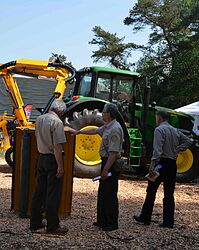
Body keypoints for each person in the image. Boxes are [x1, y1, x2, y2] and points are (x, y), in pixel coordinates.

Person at [134, 110, 192, 228]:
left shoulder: (159, 130)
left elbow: (157, 150)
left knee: (151, 190)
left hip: (161, 163)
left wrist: (152, 166)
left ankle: (145, 217)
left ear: (159, 118)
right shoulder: (175, 130)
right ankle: (168, 221)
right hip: (172, 164)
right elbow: (189, 141)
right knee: (169, 193)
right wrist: (178, 149)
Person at [73, 103, 124, 231]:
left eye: (105, 111)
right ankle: (102, 220)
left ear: (109, 114)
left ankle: (112, 223)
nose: (103, 113)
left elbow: (113, 153)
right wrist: (79, 131)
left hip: (110, 164)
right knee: (103, 193)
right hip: (106, 162)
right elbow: (95, 130)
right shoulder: (107, 126)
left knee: (110, 194)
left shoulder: (115, 129)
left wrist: (106, 169)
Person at [30, 99, 68, 234]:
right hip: (52, 159)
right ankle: (53, 225)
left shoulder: (39, 119)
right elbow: (58, 147)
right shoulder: (57, 122)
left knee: (38, 192)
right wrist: (60, 166)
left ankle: (34, 223)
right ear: (61, 111)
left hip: (41, 157)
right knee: (53, 194)